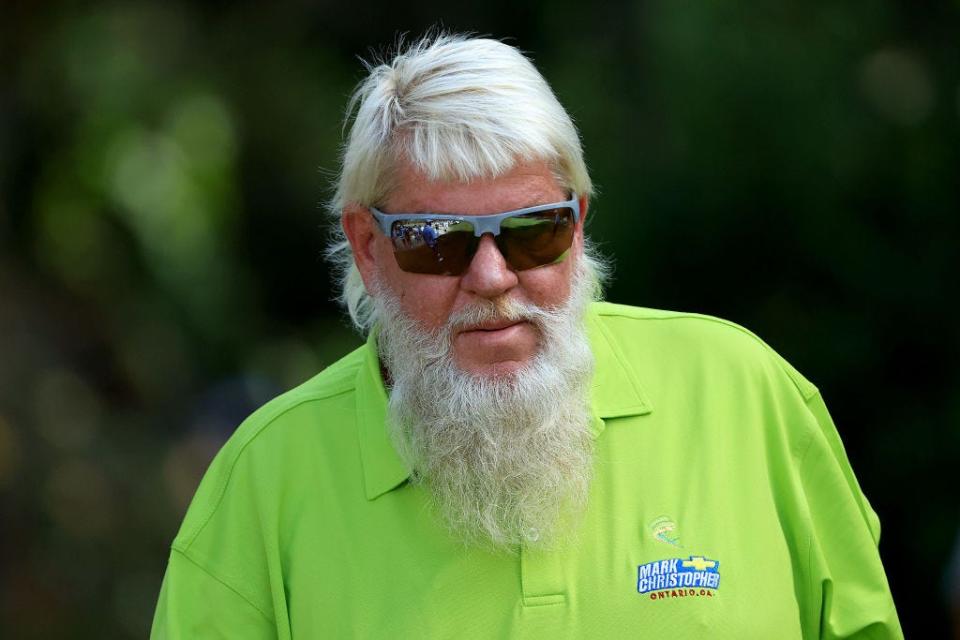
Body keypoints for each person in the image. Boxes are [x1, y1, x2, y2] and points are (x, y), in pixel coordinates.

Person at [151, 33, 903, 638]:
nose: (490, 277)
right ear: (368, 247)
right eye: (438, 241)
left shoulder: (746, 393)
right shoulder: (266, 481)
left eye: (532, 232)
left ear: (576, 225)